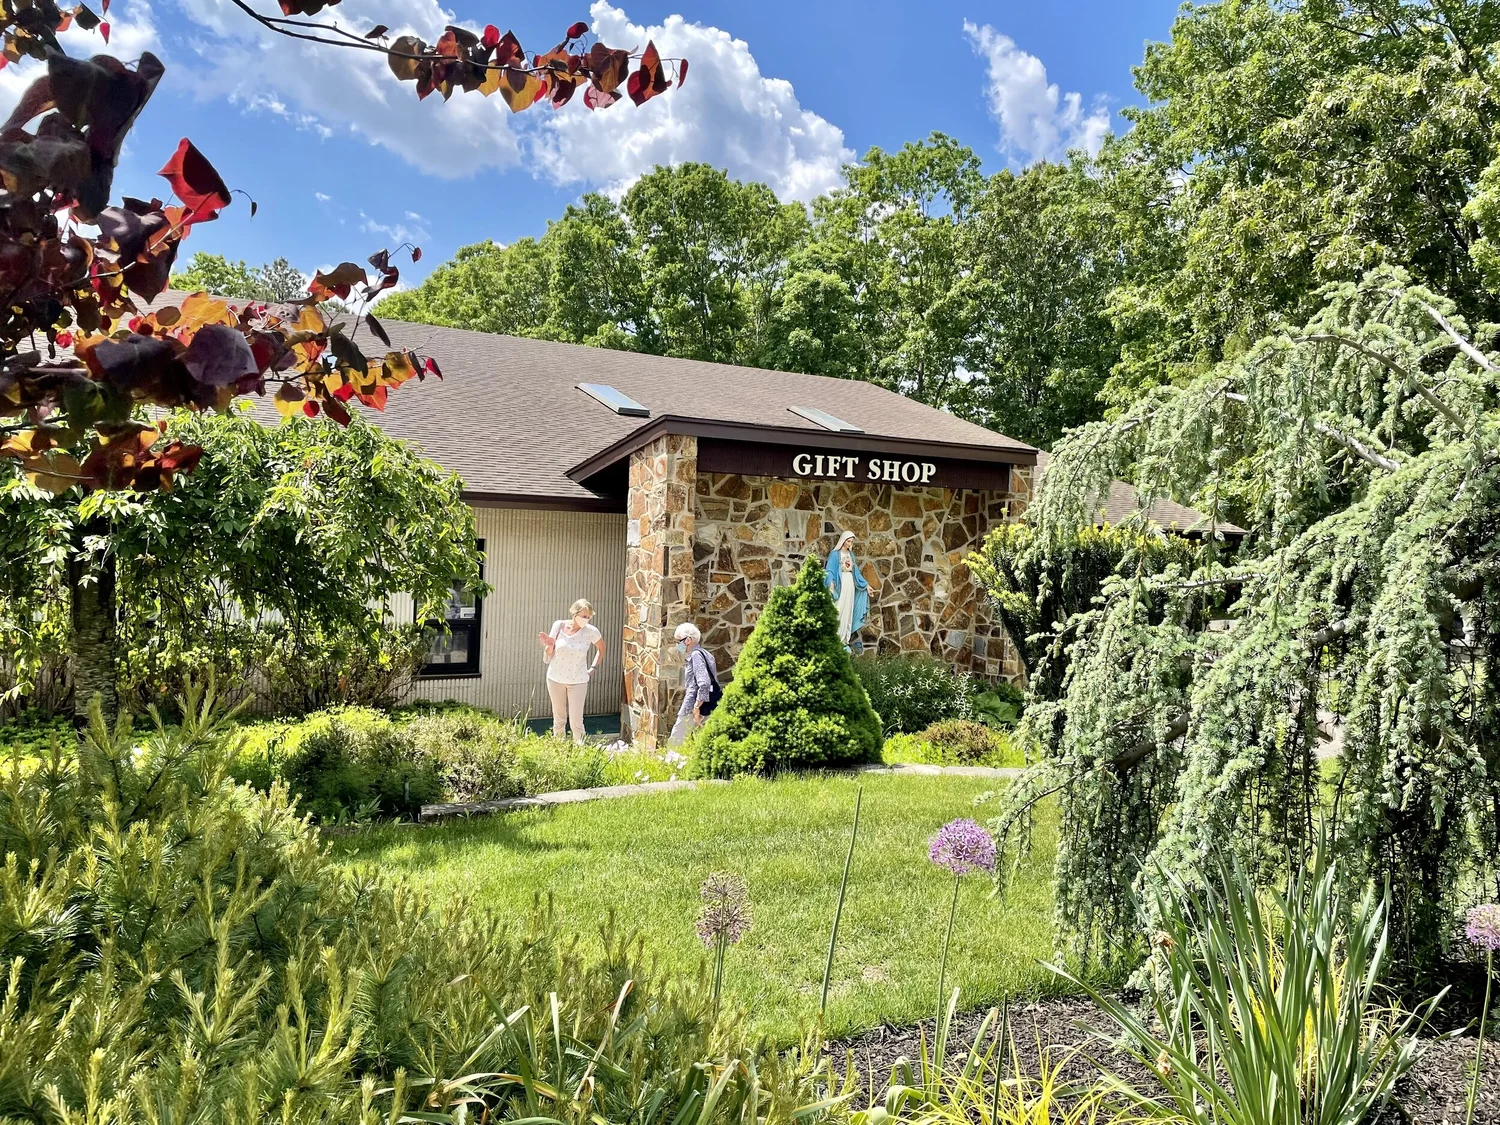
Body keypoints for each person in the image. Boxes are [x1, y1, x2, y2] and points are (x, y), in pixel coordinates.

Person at [537, 599, 605, 744]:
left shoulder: (591, 631)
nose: (585, 619)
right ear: (574, 613)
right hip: (555, 678)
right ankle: (559, 749)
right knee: (559, 718)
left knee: (576, 721)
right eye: (583, 616)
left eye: (589, 616)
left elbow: (601, 649)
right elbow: (549, 653)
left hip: (578, 680)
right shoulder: (559, 625)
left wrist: (593, 668)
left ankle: (580, 753)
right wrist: (549, 644)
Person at [668, 622, 722, 748]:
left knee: (677, 739)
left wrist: (696, 706)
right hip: (709, 703)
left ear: (688, 640)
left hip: (693, 704)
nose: (677, 645)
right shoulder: (706, 654)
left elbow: (704, 683)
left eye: (678, 641)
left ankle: (671, 763)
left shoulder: (695, 655)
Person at [824, 531, 869, 647]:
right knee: (839, 609)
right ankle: (835, 637)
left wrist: (866, 585)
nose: (849, 544)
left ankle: (844, 639)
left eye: (851, 542)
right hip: (841, 585)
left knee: (848, 610)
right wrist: (831, 583)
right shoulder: (835, 554)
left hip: (850, 584)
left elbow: (856, 573)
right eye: (848, 541)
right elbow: (829, 570)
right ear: (843, 540)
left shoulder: (851, 555)